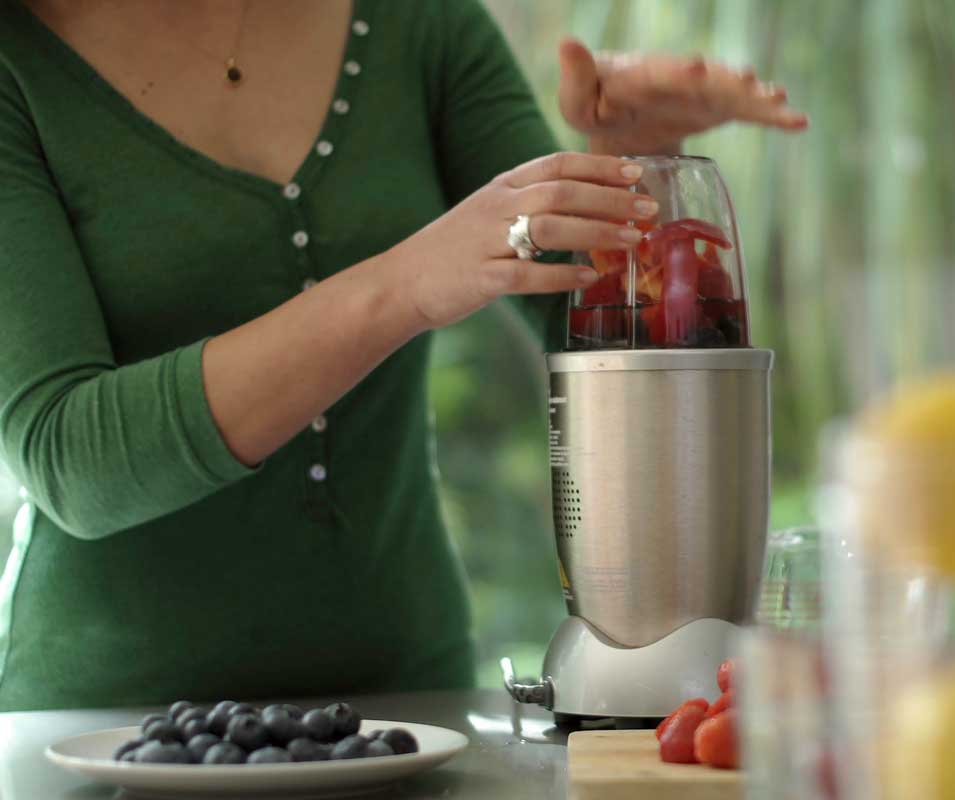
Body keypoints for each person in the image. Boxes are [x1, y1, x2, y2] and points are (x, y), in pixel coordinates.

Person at [0, 0, 806, 711]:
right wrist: (401, 286)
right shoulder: (18, 63)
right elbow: (71, 455)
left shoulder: (420, 22)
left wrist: (637, 173)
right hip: (103, 730)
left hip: (412, 711)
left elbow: (581, 339)